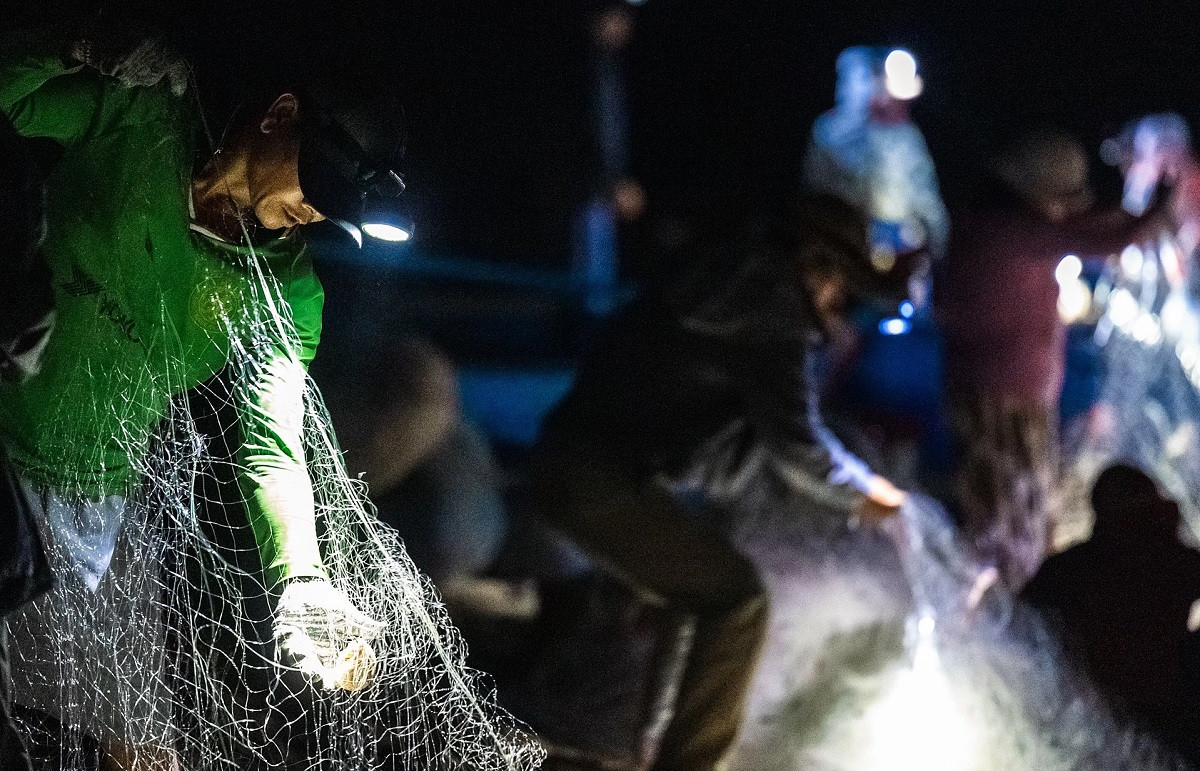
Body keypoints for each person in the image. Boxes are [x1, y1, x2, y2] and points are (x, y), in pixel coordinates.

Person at [0, 21, 404, 770]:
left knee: (145, 757)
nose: (314, 215)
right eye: (316, 187)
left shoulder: (285, 290)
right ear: (278, 118)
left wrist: (302, 580)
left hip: (94, 516)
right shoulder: (143, 114)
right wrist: (70, 38)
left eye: (331, 215)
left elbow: (269, 444)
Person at [528, 195, 911, 771]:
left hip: (582, 461)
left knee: (700, 592)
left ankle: (650, 747)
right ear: (817, 263)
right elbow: (796, 442)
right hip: (594, 477)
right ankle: (690, 762)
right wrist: (866, 493)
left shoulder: (728, 279)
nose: (838, 304)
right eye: (841, 284)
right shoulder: (773, 305)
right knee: (739, 600)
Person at [937, 130, 1161, 591]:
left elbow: (1093, 227)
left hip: (1011, 398)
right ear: (1034, 192)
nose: (1066, 210)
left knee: (1024, 514)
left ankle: (1008, 607)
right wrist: (1165, 203)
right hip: (999, 402)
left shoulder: (1002, 225)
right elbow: (1119, 236)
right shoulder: (1008, 228)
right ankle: (997, 618)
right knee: (1006, 522)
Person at [1022, 463, 1200, 760]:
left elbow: (1021, 625)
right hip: (1174, 718)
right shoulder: (1175, 559)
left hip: (1093, 725)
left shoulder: (1070, 568)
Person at [804, 45, 948, 305]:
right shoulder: (826, 134)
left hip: (898, 247)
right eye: (844, 79)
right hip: (844, 248)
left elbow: (925, 192)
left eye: (860, 79)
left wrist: (937, 241)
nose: (849, 88)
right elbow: (814, 194)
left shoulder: (902, 135)